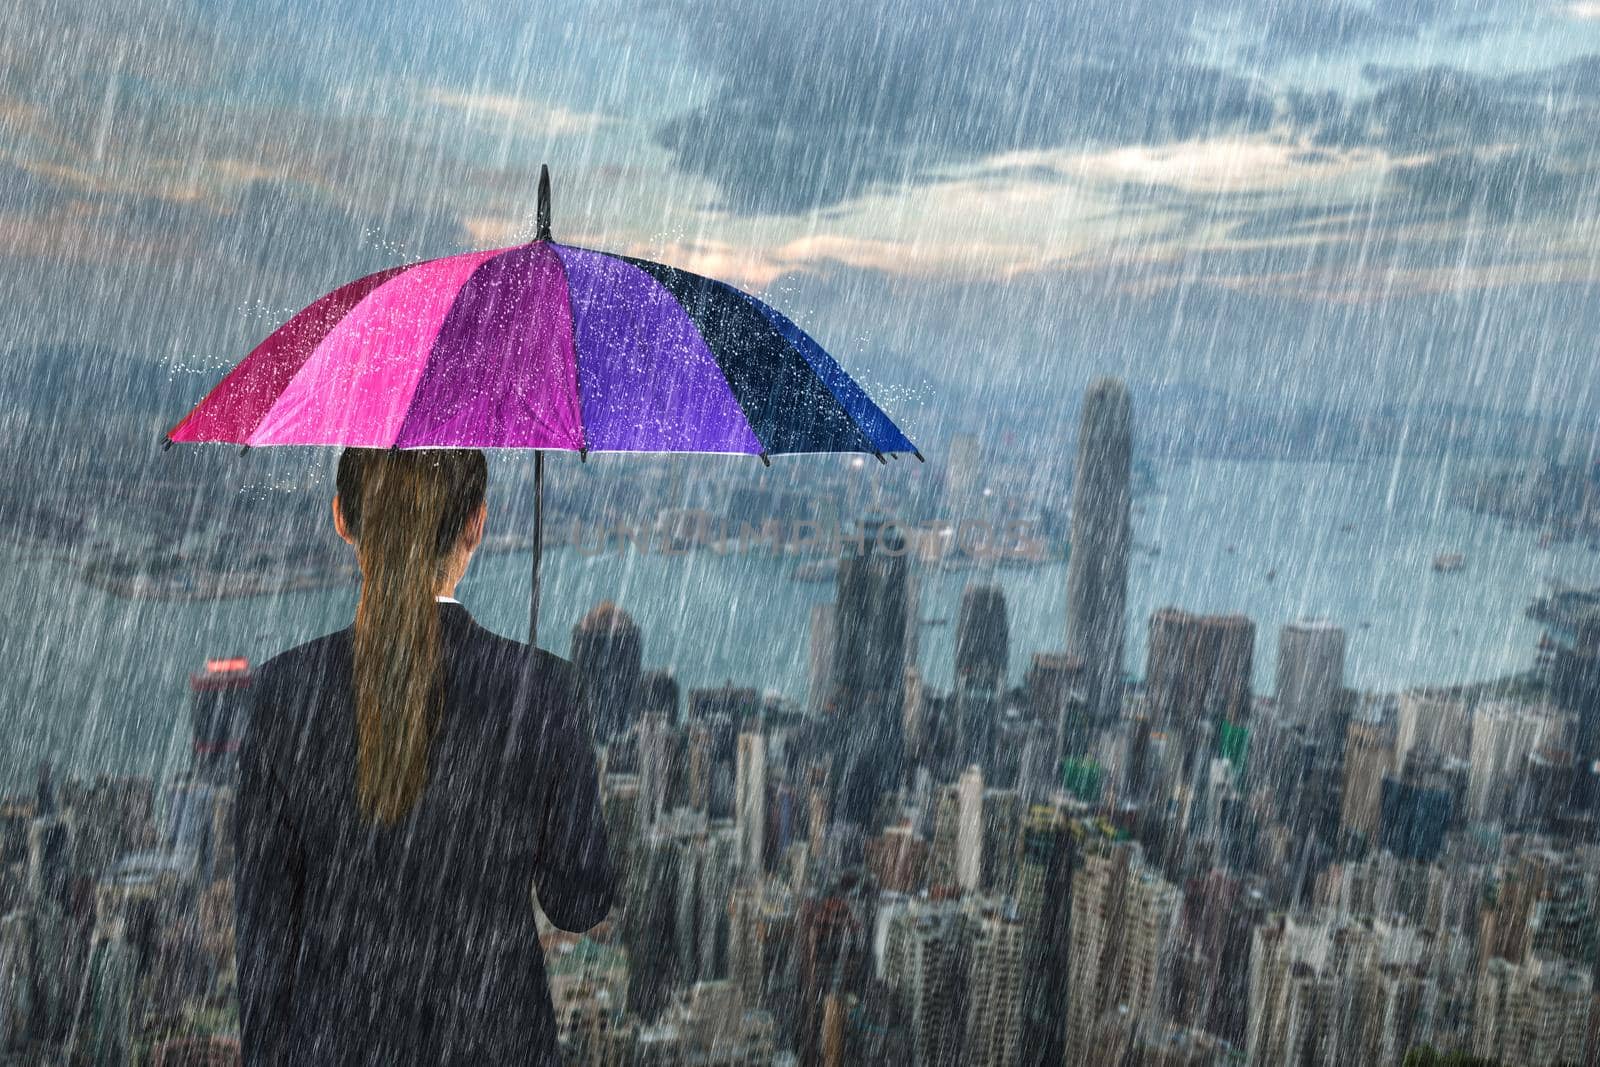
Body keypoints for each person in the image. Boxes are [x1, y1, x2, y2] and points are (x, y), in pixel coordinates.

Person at [233, 447, 613, 1066]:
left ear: (343, 519)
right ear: (477, 524)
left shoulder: (283, 694)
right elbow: (577, 899)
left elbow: (264, 944)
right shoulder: (541, 690)